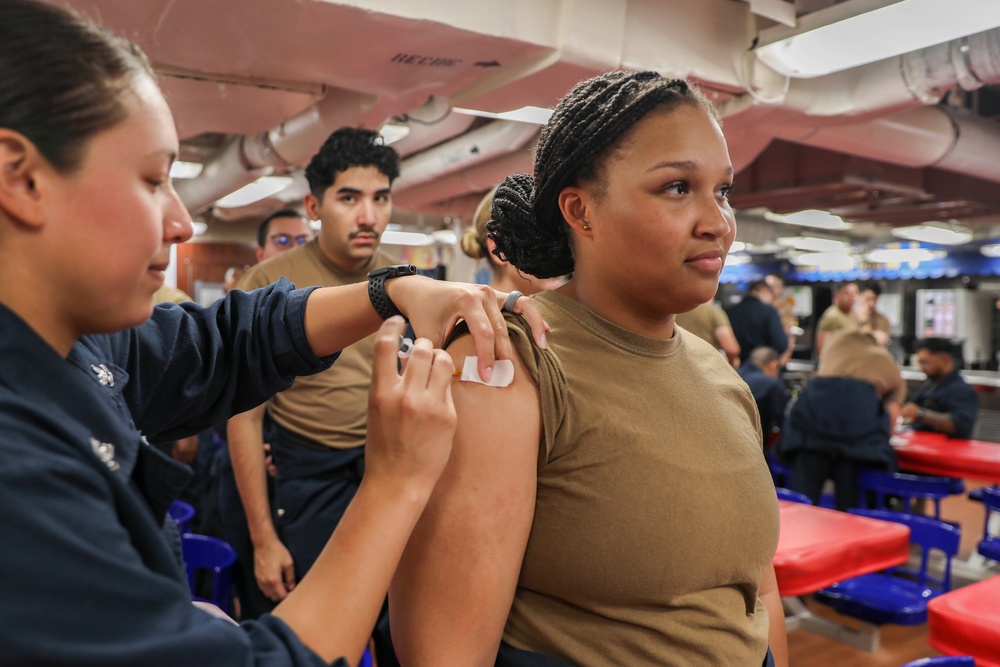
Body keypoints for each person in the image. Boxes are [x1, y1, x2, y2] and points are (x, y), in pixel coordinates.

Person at [0, 3, 547, 664]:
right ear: (22, 177)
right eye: (152, 180)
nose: (179, 222)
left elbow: (225, 341)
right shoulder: (19, 468)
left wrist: (388, 289)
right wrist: (396, 481)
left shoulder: (77, 343)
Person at [391, 70, 786, 667]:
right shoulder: (511, 361)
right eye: (678, 187)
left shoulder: (718, 374)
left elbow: (756, 594)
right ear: (581, 210)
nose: (718, 222)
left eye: (723, 191)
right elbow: (443, 653)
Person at [779, 330, 905, 511]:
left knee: (802, 499)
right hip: (858, 424)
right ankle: (849, 531)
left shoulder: (834, 346)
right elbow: (891, 418)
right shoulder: (887, 361)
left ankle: (797, 535)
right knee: (850, 500)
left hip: (815, 413)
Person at [461, 187, 565, 295]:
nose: (558, 251)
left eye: (562, 236)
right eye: (538, 236)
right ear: (499, 249)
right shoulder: (484, 312)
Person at [900, 337, 979, 439]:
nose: (921, 368)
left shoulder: (962, 390)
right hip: (921, 445)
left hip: (946, 451)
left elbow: (960, 425)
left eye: (925, 362)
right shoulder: (929, 385)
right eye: (920, 363)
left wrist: (920, 414)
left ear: (944, 360)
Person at [726, 278, 788, 366]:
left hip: (736, 367)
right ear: (765, 291)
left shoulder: (730, 312)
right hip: (763, 367)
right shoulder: (769, 312)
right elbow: (781, 344)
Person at [739, 347, 788, 447]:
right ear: (774, 364)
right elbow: (781, 421)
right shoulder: (771, 384)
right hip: (754, 445)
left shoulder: (733, 373)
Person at [675, 299, 741, 367]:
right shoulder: (713, 312)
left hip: (679, 365)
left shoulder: (675, 311)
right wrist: (732, 363)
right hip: (706, 368)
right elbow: (731, 350)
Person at [814, 281, 859, 356]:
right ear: (837, 296)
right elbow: (822, 349)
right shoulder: (832, 316)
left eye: (855, 293)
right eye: (847, 293)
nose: (852, 297)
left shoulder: (853, 314)